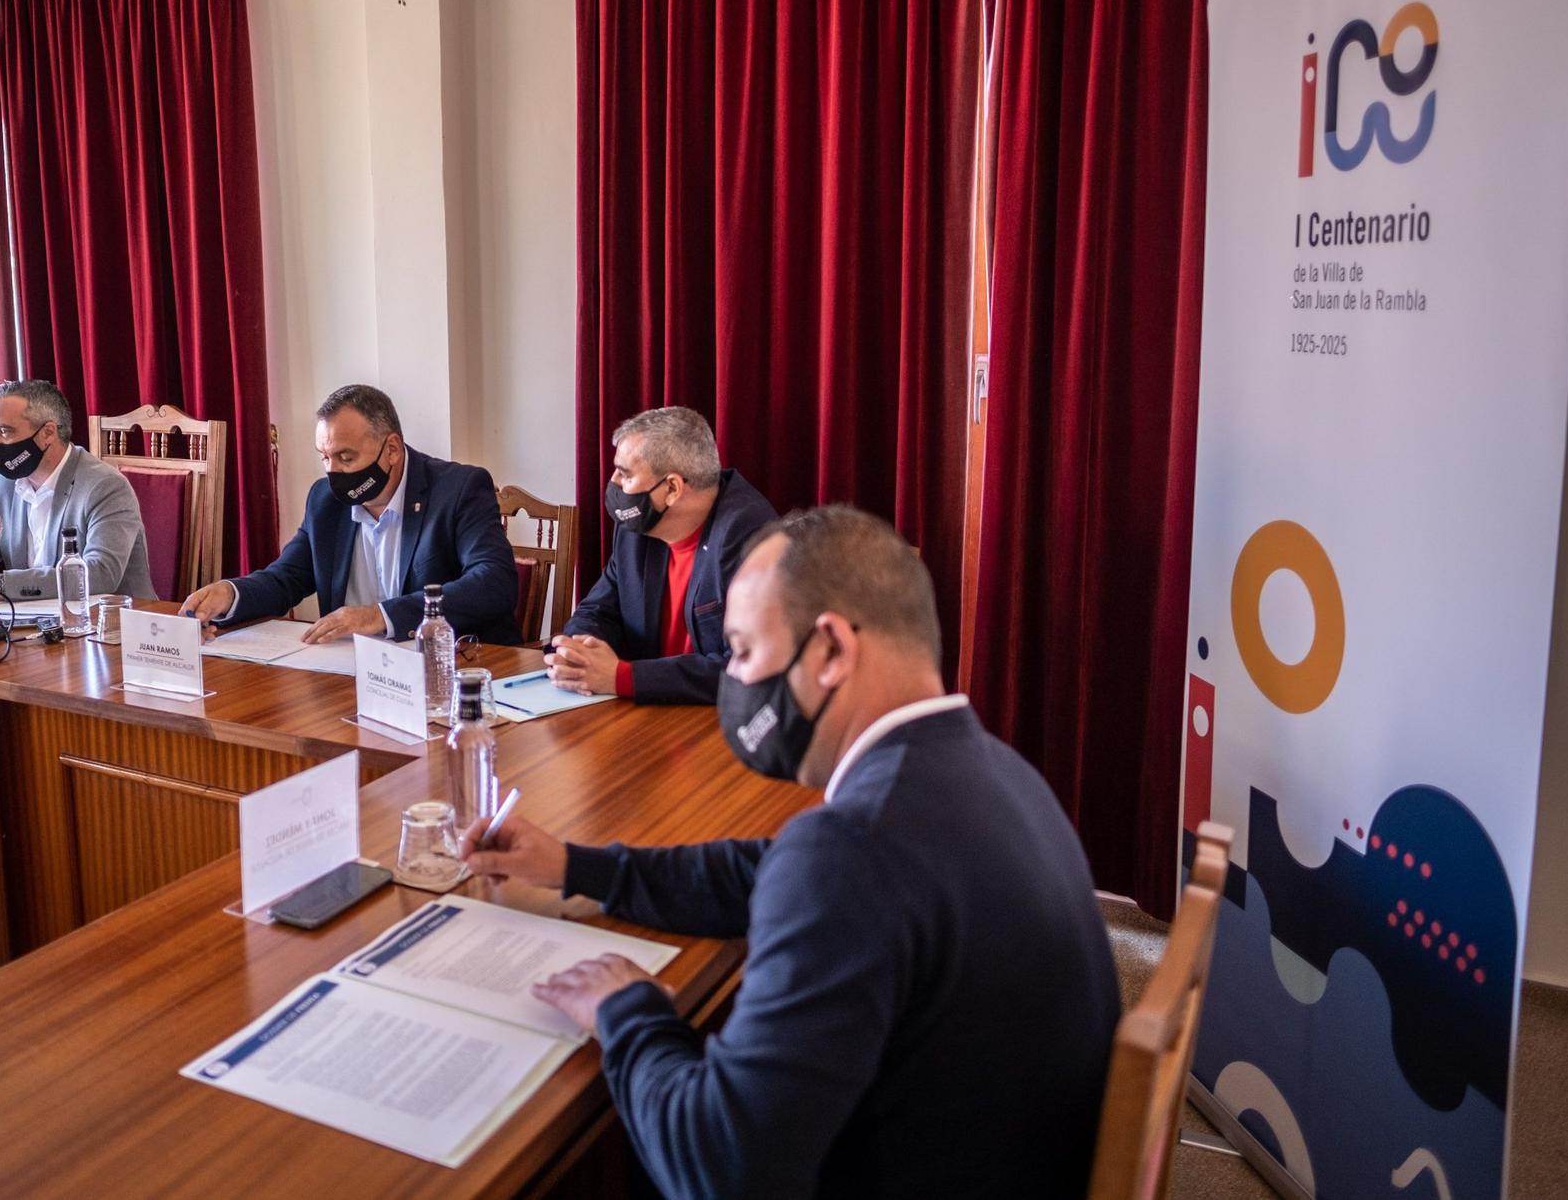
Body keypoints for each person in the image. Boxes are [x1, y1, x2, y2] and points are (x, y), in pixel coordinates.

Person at [465, 507, 1120, 1197]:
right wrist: (576, 866)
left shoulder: (854, 850)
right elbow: (771, 871)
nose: (735, 682)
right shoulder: (986, 767)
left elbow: (716, 1169)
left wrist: (626, 1007)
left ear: (832, 650)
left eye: (744, 652)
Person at [181, 384, 519, 645]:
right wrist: (230, 594)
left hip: (450, 668)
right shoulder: (325, 501)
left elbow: (493, 582)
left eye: (346, 457)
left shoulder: (457, 489)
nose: (334, 472)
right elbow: (286, 579)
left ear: (392, 450)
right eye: (325, 458)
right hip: (351, 673)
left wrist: (381, 616)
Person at [550, 406, 775, 703]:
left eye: (625, 474)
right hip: (648, 712)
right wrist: (577, 652)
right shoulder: (637, 527)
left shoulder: (749, 535)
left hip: (718, 720)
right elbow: (599, 609)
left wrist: (622, 677)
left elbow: (750, 666)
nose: (614, 482)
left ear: (671, 488)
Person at [0, 379, 153, 599]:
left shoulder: (105, 486)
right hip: (35, 625)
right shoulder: (4, 482)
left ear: (48, 433)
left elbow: (100, 574)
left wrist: (1, 585)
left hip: (112, 626)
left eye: (5, 431)